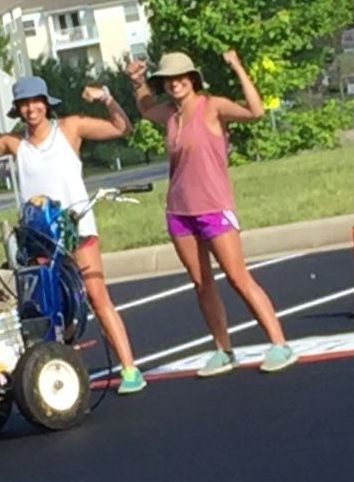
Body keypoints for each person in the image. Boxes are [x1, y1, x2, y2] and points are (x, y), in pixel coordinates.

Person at [0, 75, 146, 394]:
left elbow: (120, 128)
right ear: (18, 109)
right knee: (50, 305)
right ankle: (65, 371)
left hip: (76, 229)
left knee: (96, 296)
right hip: (39, 236)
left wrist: (106, 98)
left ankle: (129, 369)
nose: (31, 109)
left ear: (46, 103)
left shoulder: (69, 128)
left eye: (36, 102)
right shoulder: (14, 144)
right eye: (24, 104)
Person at [125, 51, 297, 375]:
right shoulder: (171, 114)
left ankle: (279, 343)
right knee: (201, 283)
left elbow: (255, 111)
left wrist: (238, 67)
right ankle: (223, 349)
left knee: (236, 276)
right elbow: (146, 109)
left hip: (214, 207)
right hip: (179, 210)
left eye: (180, 78)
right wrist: (136, 82)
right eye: (168, 80)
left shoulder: (212, 106)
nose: (175, 84)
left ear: (192, 80)